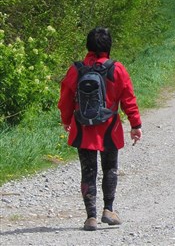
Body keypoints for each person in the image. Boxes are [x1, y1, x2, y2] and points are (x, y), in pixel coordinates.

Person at [58, 27, 142, 231]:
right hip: (109, 129)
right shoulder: (117, 69)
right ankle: (109, 210)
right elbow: (128, 99)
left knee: (88, 172)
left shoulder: (76, 69)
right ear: (109, 46)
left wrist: (66, 120)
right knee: (110, 169)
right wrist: (135, 125)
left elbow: (65, 99)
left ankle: (91, 218)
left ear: (88, 45)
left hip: (83, 128)